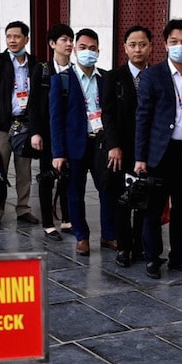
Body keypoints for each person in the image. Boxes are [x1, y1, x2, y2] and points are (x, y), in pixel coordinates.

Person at [134, 18, 182, 279]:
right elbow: (142, 118)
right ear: (165, 44)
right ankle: (153, 257)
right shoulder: (152, 75)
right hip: (159, 154)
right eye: (174, 42)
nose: (179, 46)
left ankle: (178, 257)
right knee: (153, 209)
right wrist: (140, 157)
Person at [49, 28, 114, 256]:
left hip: (100, 144)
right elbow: (55, 120)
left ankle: (108, 234)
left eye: (93, 48)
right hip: (74, 144)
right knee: (75, 192)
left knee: (107, 190)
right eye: (83, 47)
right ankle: (81, 236)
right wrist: (58, 153)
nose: (88, 52)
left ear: (99, 51)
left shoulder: (107, 79)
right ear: (75, 50)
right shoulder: (62, 80)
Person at [0, 21, 40, 228]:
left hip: (24, 125)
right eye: (9, 36)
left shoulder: (35, 64)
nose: (12, 40)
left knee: (24, 171)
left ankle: (23, 209)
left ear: (26, 39)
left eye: (17, 36)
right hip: (1, 125)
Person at [101, 26, 151, 267]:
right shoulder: (114, 76)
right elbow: (107, 114)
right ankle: (123, 247)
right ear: (125, 48)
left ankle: (141, 246)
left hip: (150, 150)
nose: (138, 49)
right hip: (123, 149)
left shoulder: (157, 76)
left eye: (142, 44)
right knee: (122, 198)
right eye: (133, 44)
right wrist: (114, 145)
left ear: (150, 46)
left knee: (146, 198)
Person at [29, 23, 75, 240]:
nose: (69, 44)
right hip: (47, 132)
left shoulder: (74, 70)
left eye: (70, 40)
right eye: (64, 40)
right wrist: (35, 132)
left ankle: (67, 219)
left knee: (68, 176)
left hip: (69, 132)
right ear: (52, 44)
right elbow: (33, 104)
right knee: (47, 177)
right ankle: (48, 223)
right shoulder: (43, 69)